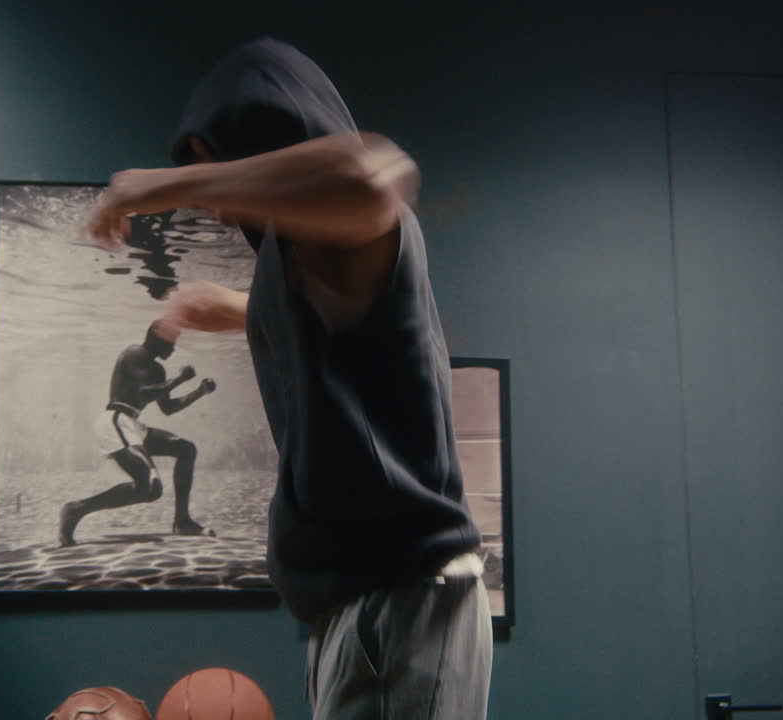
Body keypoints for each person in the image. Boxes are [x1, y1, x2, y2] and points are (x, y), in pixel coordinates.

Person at [84, 38, 492, 719]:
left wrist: (158, 184)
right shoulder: (303, 255)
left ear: (261, 139)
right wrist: (240, 312)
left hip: (395, 595)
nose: (216, 210)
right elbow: (356, 339)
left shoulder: (347, 221)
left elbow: (372, 177)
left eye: (215, 171)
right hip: (368, 603)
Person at [59, 319, 217, 546]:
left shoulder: (158, 370)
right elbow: (142, 393)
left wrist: (199, 392)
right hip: (114, 422)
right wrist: (179, 379)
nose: (173, 348)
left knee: (185, 449)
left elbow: (168, 408)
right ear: (156, 336)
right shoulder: (133, 354)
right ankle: (76, 510)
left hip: (133, 424)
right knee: (150, 488)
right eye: (171, 341)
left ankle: (182, 521)